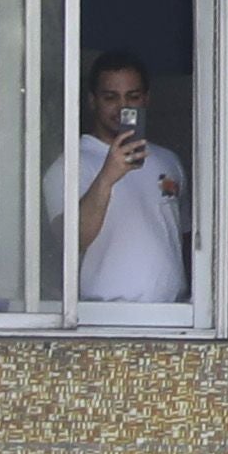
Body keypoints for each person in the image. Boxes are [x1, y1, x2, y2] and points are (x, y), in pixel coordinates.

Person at [67, 49, 189, 310]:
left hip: (175, 313)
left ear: (146, 99)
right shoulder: (72, 162)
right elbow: (70, 241)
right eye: (110, 97)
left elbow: (185, 238)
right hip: (103, 314)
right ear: (92, 101)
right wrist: (107, 177)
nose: (123, 107)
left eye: (132, 97)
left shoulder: (168, 161)